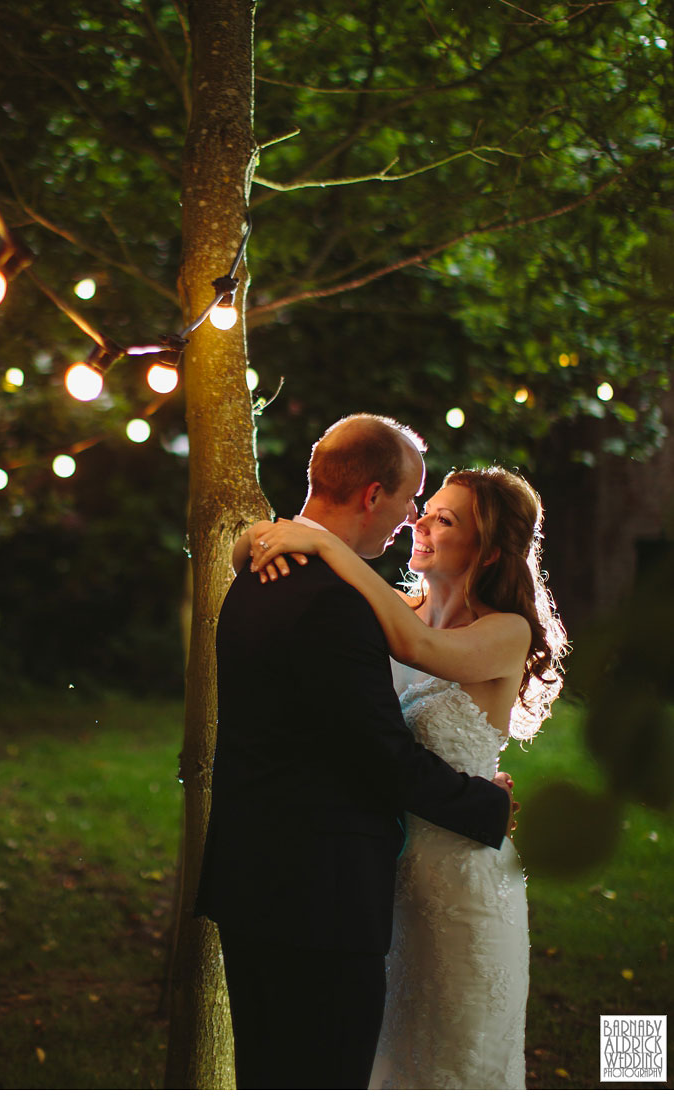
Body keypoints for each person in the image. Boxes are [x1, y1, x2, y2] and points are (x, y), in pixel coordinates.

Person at [194, 415, 516, 1091]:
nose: (412, 523)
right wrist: (485, 805)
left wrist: (264, 536)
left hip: (263, 879)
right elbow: (376, 751)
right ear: (373, 496)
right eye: (409, 504)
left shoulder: (264, 570)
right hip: (318, 894)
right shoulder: (331, 598)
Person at [248, 463, 568, 1089]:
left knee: (455, 1059)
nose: (419, 521)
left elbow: (415, 650)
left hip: (462, 883)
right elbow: (260, 549)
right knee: (386, 1055)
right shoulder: (391, 604)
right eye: (426, 509)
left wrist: (326, 543)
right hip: (382, 876)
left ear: (490, 550)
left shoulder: (506, 633)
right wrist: (255, 540)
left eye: (444, 519)